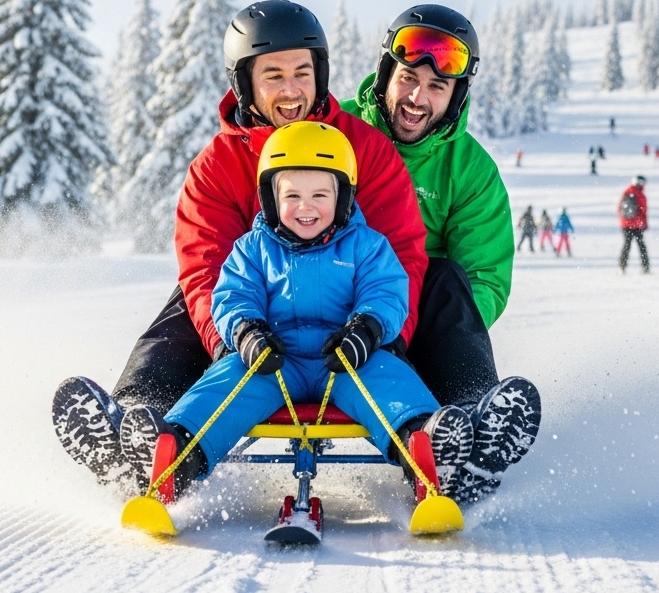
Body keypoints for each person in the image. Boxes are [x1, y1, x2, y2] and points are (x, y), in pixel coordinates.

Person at [50, 0, 428, 492]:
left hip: (349, 335)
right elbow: (206, 271)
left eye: (301, 72)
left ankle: (455, 435)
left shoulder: (362, 148)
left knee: (443, 287)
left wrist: (381, 335)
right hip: (258, 335)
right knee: (181, 307)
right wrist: (238, 340)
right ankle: (139, 431)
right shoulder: (217, 164)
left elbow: (398, 256)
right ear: (245, 83)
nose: (291, 89)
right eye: (273, 75)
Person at [120, 123, 474, 499]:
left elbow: (387, 293)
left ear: (343, 197)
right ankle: (174, 452)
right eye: (292, 196)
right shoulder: (252, 249)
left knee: (390, 381)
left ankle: (428, 447)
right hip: (274, 360)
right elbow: (233, 295)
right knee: (225, 384)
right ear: (271, 198)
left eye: (320, 194)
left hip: (348, 358)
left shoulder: (367, 246)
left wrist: (366, 331)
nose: (306, 207)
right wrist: (247, 334)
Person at [341, 4, 540, 500]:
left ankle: (474, 433)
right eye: (408, 78)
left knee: (449, 276)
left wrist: (408, 326)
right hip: (323, 301)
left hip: (410, 325)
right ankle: (154, 426)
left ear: (455, 97)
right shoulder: (338, 127)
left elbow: (485, 282)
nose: (417, 98)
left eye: (436, 87)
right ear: (387, 74)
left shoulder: (468, 170)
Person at [618, 176, 649, 274]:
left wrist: (624, 221)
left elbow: (619, 208)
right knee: (641, 246)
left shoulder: (627, 192)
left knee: (626, 246)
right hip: (637, 225)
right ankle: (645, 267)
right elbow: (643, 211)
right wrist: (643, 223)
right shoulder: (640, 194)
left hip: (626, 224)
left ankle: (622, 267)